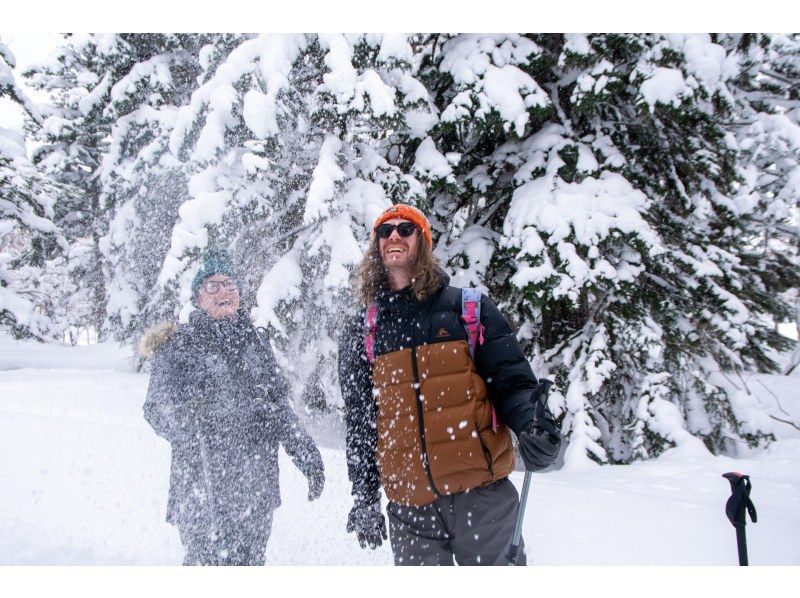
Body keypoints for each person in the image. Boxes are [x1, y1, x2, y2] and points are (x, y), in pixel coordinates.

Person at [338, 204, 561, 566]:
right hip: (411, 508)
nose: (393, 235)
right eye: (384, 231)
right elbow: (361, 423)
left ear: (423, 242)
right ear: (376, 247)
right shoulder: (363, 331)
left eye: (405, 229)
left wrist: (532, 426)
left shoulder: (468, 310)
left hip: (482, 497)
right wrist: (364, 495)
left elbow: (512, 383)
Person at [141, 249, 324, 566]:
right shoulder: (179, 344)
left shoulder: (255, 343)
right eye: (212, 286)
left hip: (256, 486)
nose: (223, 291)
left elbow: (277, 406)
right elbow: (156, 408)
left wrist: (306, 453)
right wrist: (191, 419)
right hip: (202, 486)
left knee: (250, 563)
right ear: (198, 298)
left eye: (229, 284)